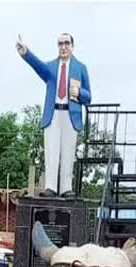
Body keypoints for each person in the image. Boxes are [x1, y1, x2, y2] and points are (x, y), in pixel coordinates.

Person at [16, 32, 91, 198]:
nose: (63, 47)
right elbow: (38, 65)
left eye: (66, 43)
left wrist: (78, 92)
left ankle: (66, 187)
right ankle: (50, 186)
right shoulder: (51, 67)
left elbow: (89, 97)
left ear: (72, 46)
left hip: (71, 114)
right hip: (53, 113)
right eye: (60, 44)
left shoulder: (80, 68)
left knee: (68, 152)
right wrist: (26, 53)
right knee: (51, 150)